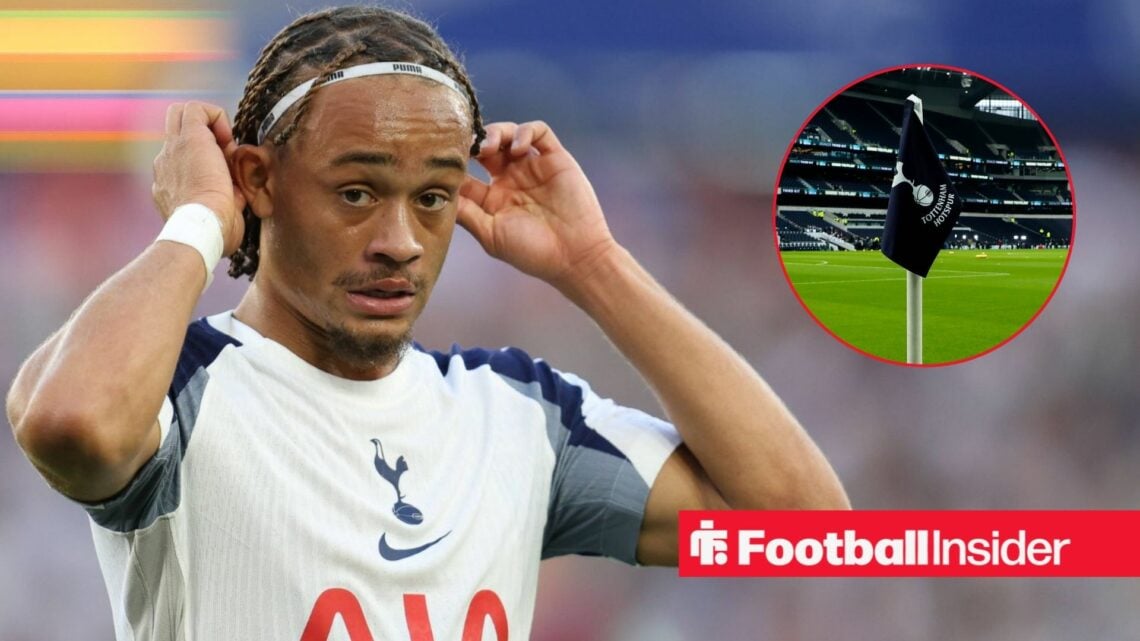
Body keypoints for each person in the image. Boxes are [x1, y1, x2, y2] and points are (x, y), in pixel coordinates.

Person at [5, 6, 848, 640]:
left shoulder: (517, 413)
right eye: (357, 192)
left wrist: (595, 266)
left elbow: (809, 531)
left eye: (434, 197)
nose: (400, 242)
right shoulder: (183, 384)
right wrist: (196, 219)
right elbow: (69, 420)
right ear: (257, 182)